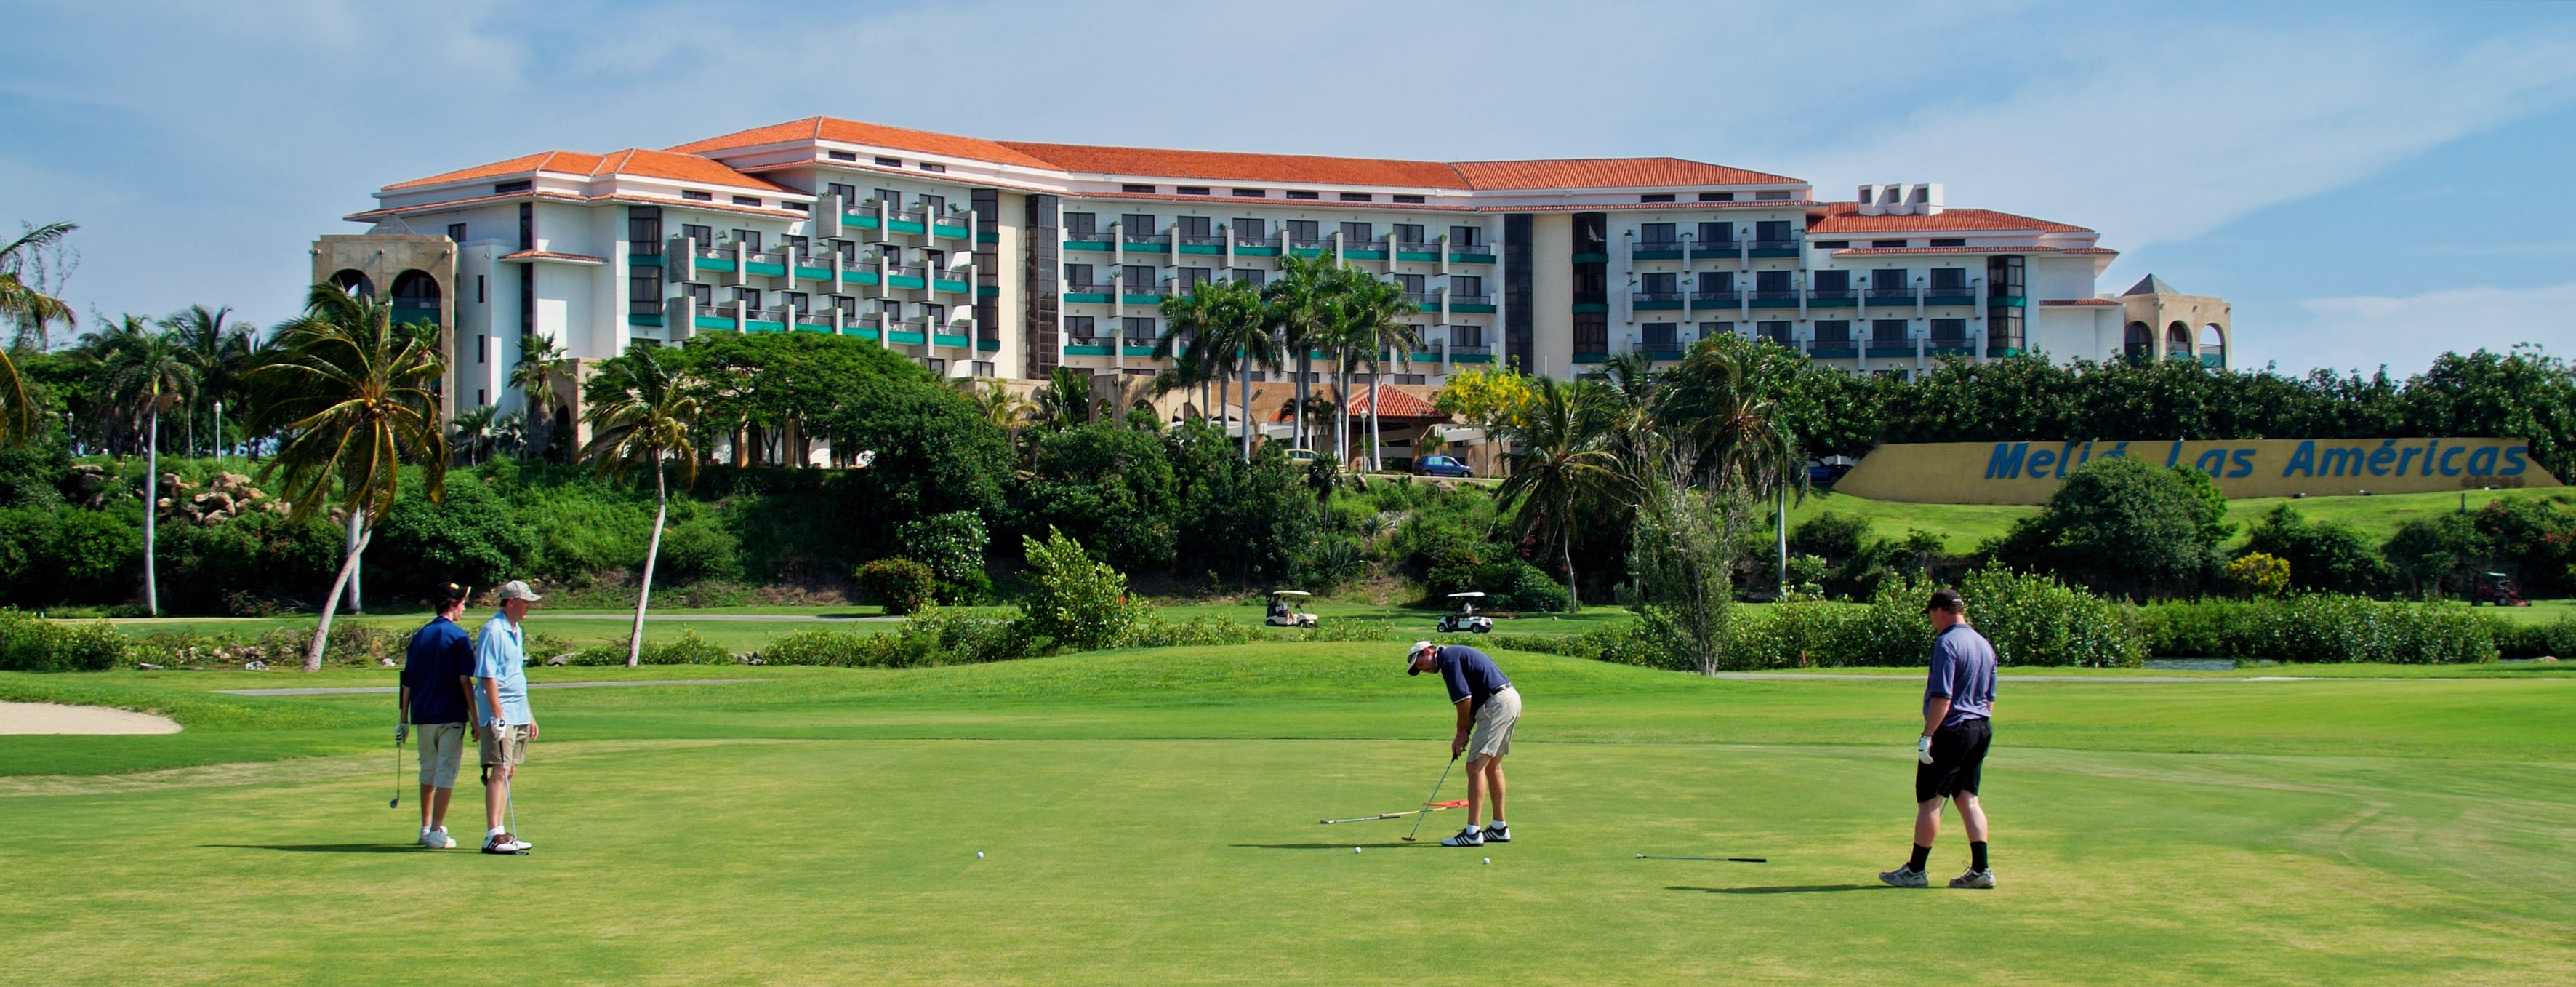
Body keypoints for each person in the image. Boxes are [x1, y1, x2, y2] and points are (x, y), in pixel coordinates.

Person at [1881, 588, 1998, 889]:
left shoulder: (1946, 644)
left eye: (1931, 615)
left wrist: (1928, 735)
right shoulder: (1983, 644)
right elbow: (1989, 699)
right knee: (1968, 799)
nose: (1932, 621)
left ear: (1941, 611)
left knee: (1930, 802)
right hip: (1981, 727)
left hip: (1952, 729)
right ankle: (1981, 869)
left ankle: (1916, 870)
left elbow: (1942, 697)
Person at [1404, 641, 1520, 847]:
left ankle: (1472, 832)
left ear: (1428, 651)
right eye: (1418, 669)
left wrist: (1460, 733)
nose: (1423, 669)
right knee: (1492, 766)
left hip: (1497, 704)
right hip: (1509, 700)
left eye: (1420, 663)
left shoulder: (1448, 659)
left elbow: (1464, 700)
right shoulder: (1456, 655)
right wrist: (1464, 733)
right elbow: (1473, 703)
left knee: (1475, 767)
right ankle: (1499, 828)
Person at [397, 583, 476, 849]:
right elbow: (465, 681)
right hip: (450, 715)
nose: (465, 607)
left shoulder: (421, 635)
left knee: (428, 771)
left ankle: (426, 826)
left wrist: (403, 719)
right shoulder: (458, 637)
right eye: (463, 602)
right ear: (452, 604)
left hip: (423, 715)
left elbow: (407, 682)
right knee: (445, 773)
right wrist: (476, 721)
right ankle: (435, 832)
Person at [474, 580, 543, 855]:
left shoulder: (517, 630)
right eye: (525, 602)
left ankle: (501, 832)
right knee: (500, 770)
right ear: (511, 602)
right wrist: (498, 716)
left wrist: (529, 714)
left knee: (510, 769)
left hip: (518, 710)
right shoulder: (493, 631)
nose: (529, 606)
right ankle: (493, 834)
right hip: (500, 714)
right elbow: (487, 676)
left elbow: (517, 677)